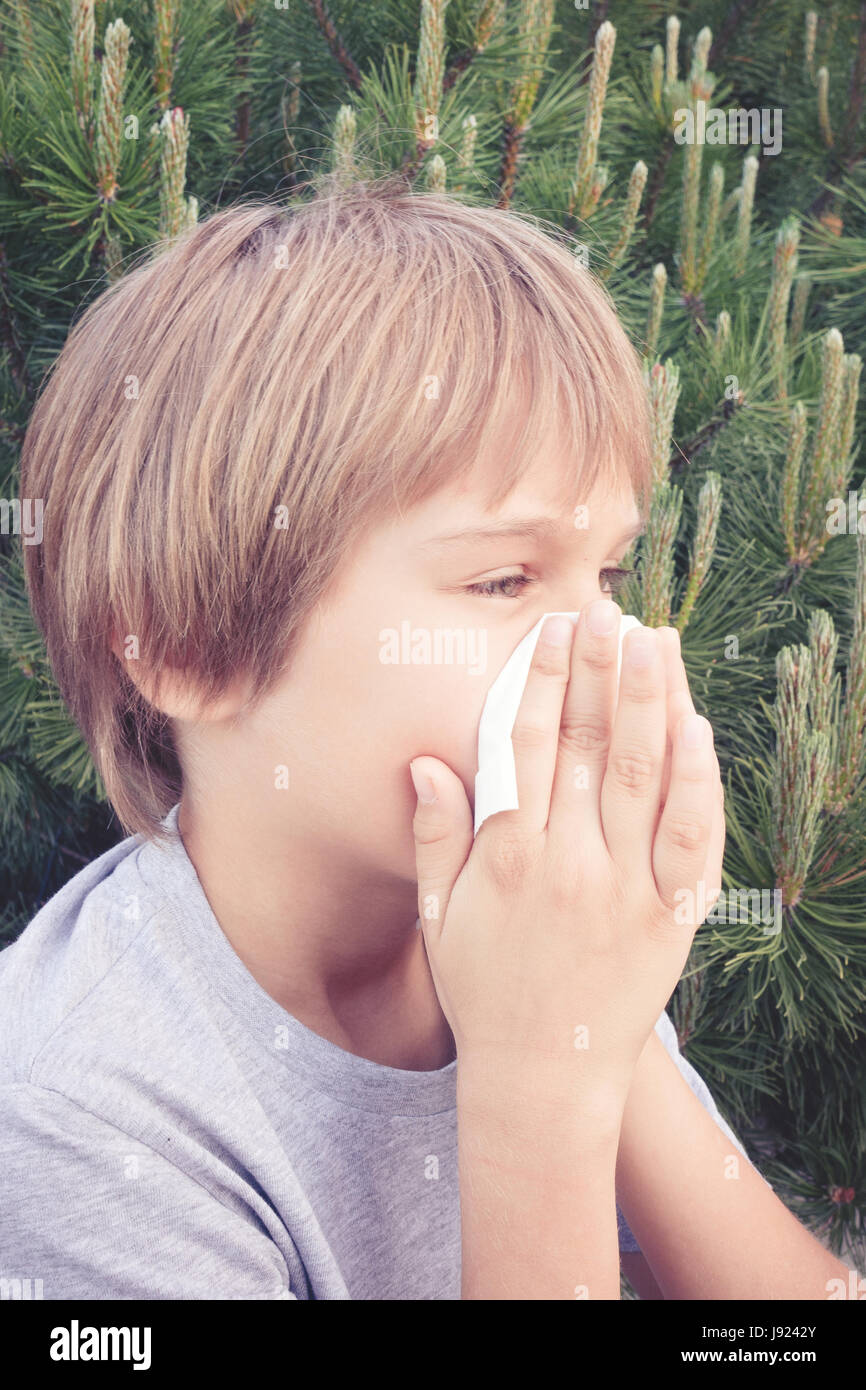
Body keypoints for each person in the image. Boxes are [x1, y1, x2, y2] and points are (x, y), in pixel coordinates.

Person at [1, 173, 851, 1299]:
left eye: (604, 573)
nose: (609, 644)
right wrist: (538, 1083)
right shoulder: (74, 1119)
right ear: (186, 647)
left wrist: (605, 1035)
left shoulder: (519, 935)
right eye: (503, 577)